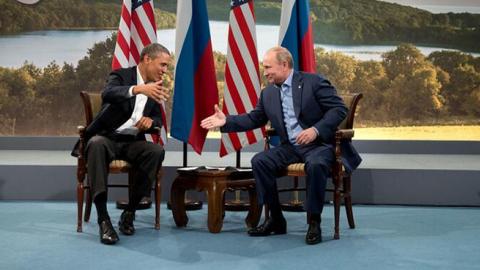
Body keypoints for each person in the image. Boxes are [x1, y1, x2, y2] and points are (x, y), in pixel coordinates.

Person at [201, 46, 361, 245]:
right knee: (260, 161)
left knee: (317, 164)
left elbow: (338, 109)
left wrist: (315, 130)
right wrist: (226, 122)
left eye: (268, 67)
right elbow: (254, 119)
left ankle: (314, 221)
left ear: (284, 65)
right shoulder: (268, 93)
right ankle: (276, 219)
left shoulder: (314, 82)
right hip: (291, 147)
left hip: (320, 145)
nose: (265, 72)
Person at [71, 43, 171, 245]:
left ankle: (129, 212)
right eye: (162, 65)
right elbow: (108, 93)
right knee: (97, 144)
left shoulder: (156, 85)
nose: (164, 70)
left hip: (132, 141)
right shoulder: (121, 75)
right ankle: (103, 220)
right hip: (107, 137)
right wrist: (138, 89)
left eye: (167, 67)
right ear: (147, 59)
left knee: (156, 151)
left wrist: (151, 122)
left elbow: (157, 118)